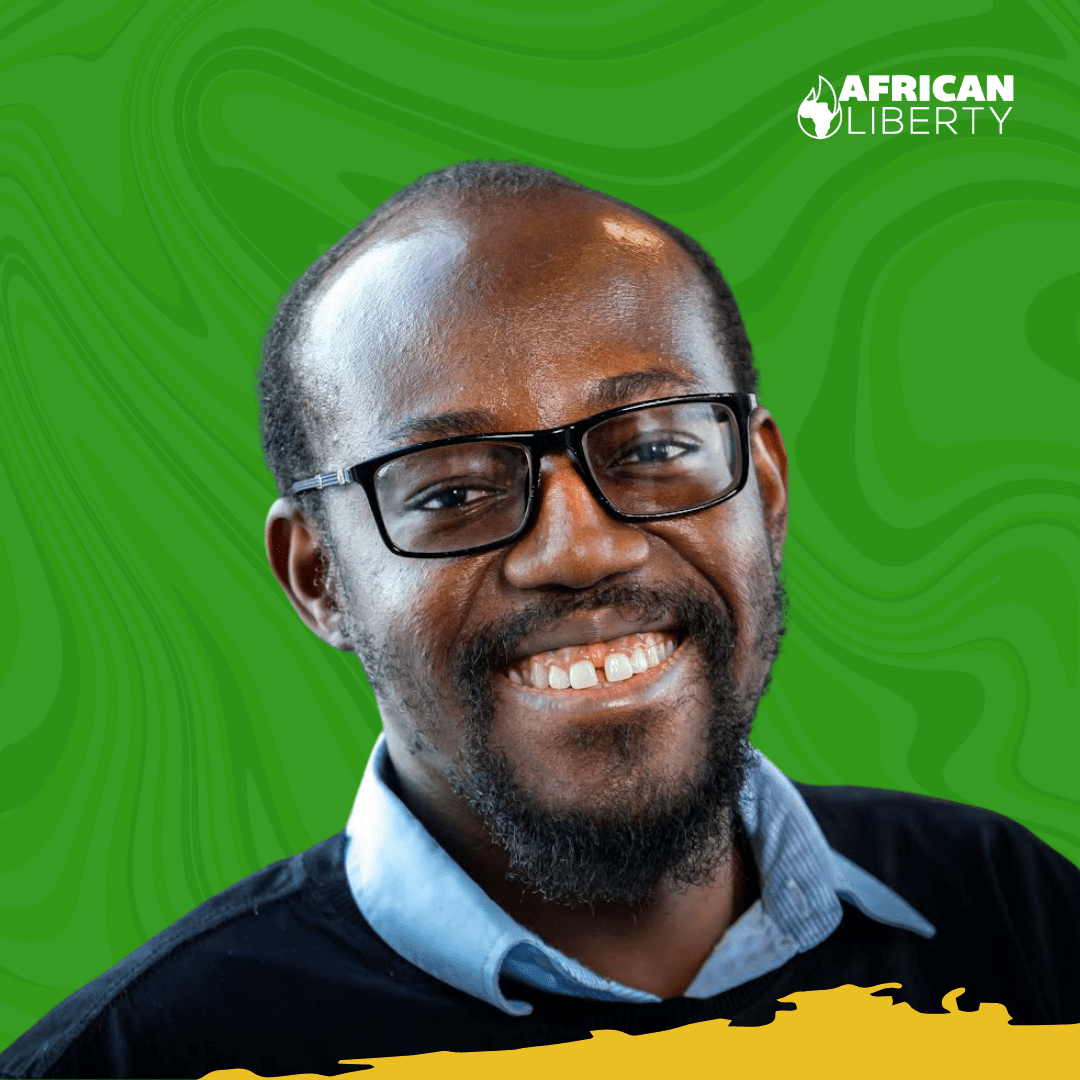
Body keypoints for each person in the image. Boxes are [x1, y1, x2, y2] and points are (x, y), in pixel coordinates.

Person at [2, 162, 1078, 1080]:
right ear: (319, 578)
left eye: (653, 447)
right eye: (451, 490)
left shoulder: (1012, 914)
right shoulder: (133, 1060)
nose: (581, 549)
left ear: (767, 489)